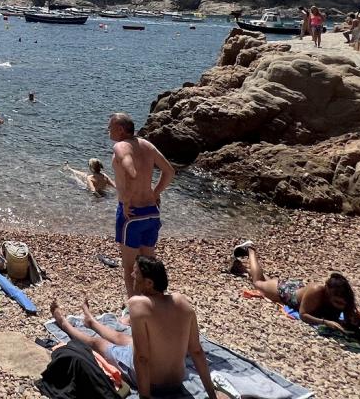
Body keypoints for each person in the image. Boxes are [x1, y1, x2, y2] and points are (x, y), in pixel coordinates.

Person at [49, 257, 229, 399]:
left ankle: (64, 324)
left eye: (136, 273)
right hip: (177, 381)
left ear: (149, 283)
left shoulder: (137, 305)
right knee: (125, 340)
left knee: (98, 342)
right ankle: (92, 322)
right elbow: (196, 351)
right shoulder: (181, 301)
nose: (132, 276)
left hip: (153, 385)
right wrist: (212, 395)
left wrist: (144, 396)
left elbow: (141, 358)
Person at [110, 112, 175, 297]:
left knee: (131, 268)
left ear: (120, 129)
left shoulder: (121, 146)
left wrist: (127, 200)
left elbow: (131, 171)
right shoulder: (147, 145)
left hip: (133, 215)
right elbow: (169, 172)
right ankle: (152, 304)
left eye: (110, 127)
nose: (108, 130)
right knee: (148, 264)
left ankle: (134, 309)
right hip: (151, 213)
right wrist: (155, 193)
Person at [228, 242, 360, 330]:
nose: (340, 306)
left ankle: (241, 269)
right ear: (328, 294)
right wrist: (325, 322)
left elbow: (350, 318)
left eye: (342, 303)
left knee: (265, 282)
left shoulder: (345, 299)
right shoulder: (316, 290)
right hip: (286, 292)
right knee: (258, 283)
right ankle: (251, 250)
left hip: (297, 289)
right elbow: (303, 314)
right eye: (337, 302)